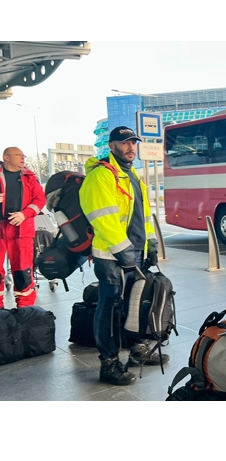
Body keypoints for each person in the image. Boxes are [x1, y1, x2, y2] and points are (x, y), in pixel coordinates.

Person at [79, 126, 165, 386]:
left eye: (133, 143)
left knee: (133, 304)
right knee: (110, 306)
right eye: (124, 142)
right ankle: (109, 363)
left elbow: (143, 215)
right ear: (112, 144)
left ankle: (137, 349)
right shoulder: (101, 176)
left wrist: (150, 243)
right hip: (110, 256)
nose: (130, 147)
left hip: (134, 252)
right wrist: (124, 253)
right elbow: (103, 219)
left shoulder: (132, 176)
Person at [0, 147, 46, 309]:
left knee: (23, 272)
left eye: (23, 155)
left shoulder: (29, 177)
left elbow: (40, 200)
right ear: (6, 157)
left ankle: (26, 311)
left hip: (21, 230)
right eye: (18, 155)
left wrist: (24, 214)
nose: (22, 158)